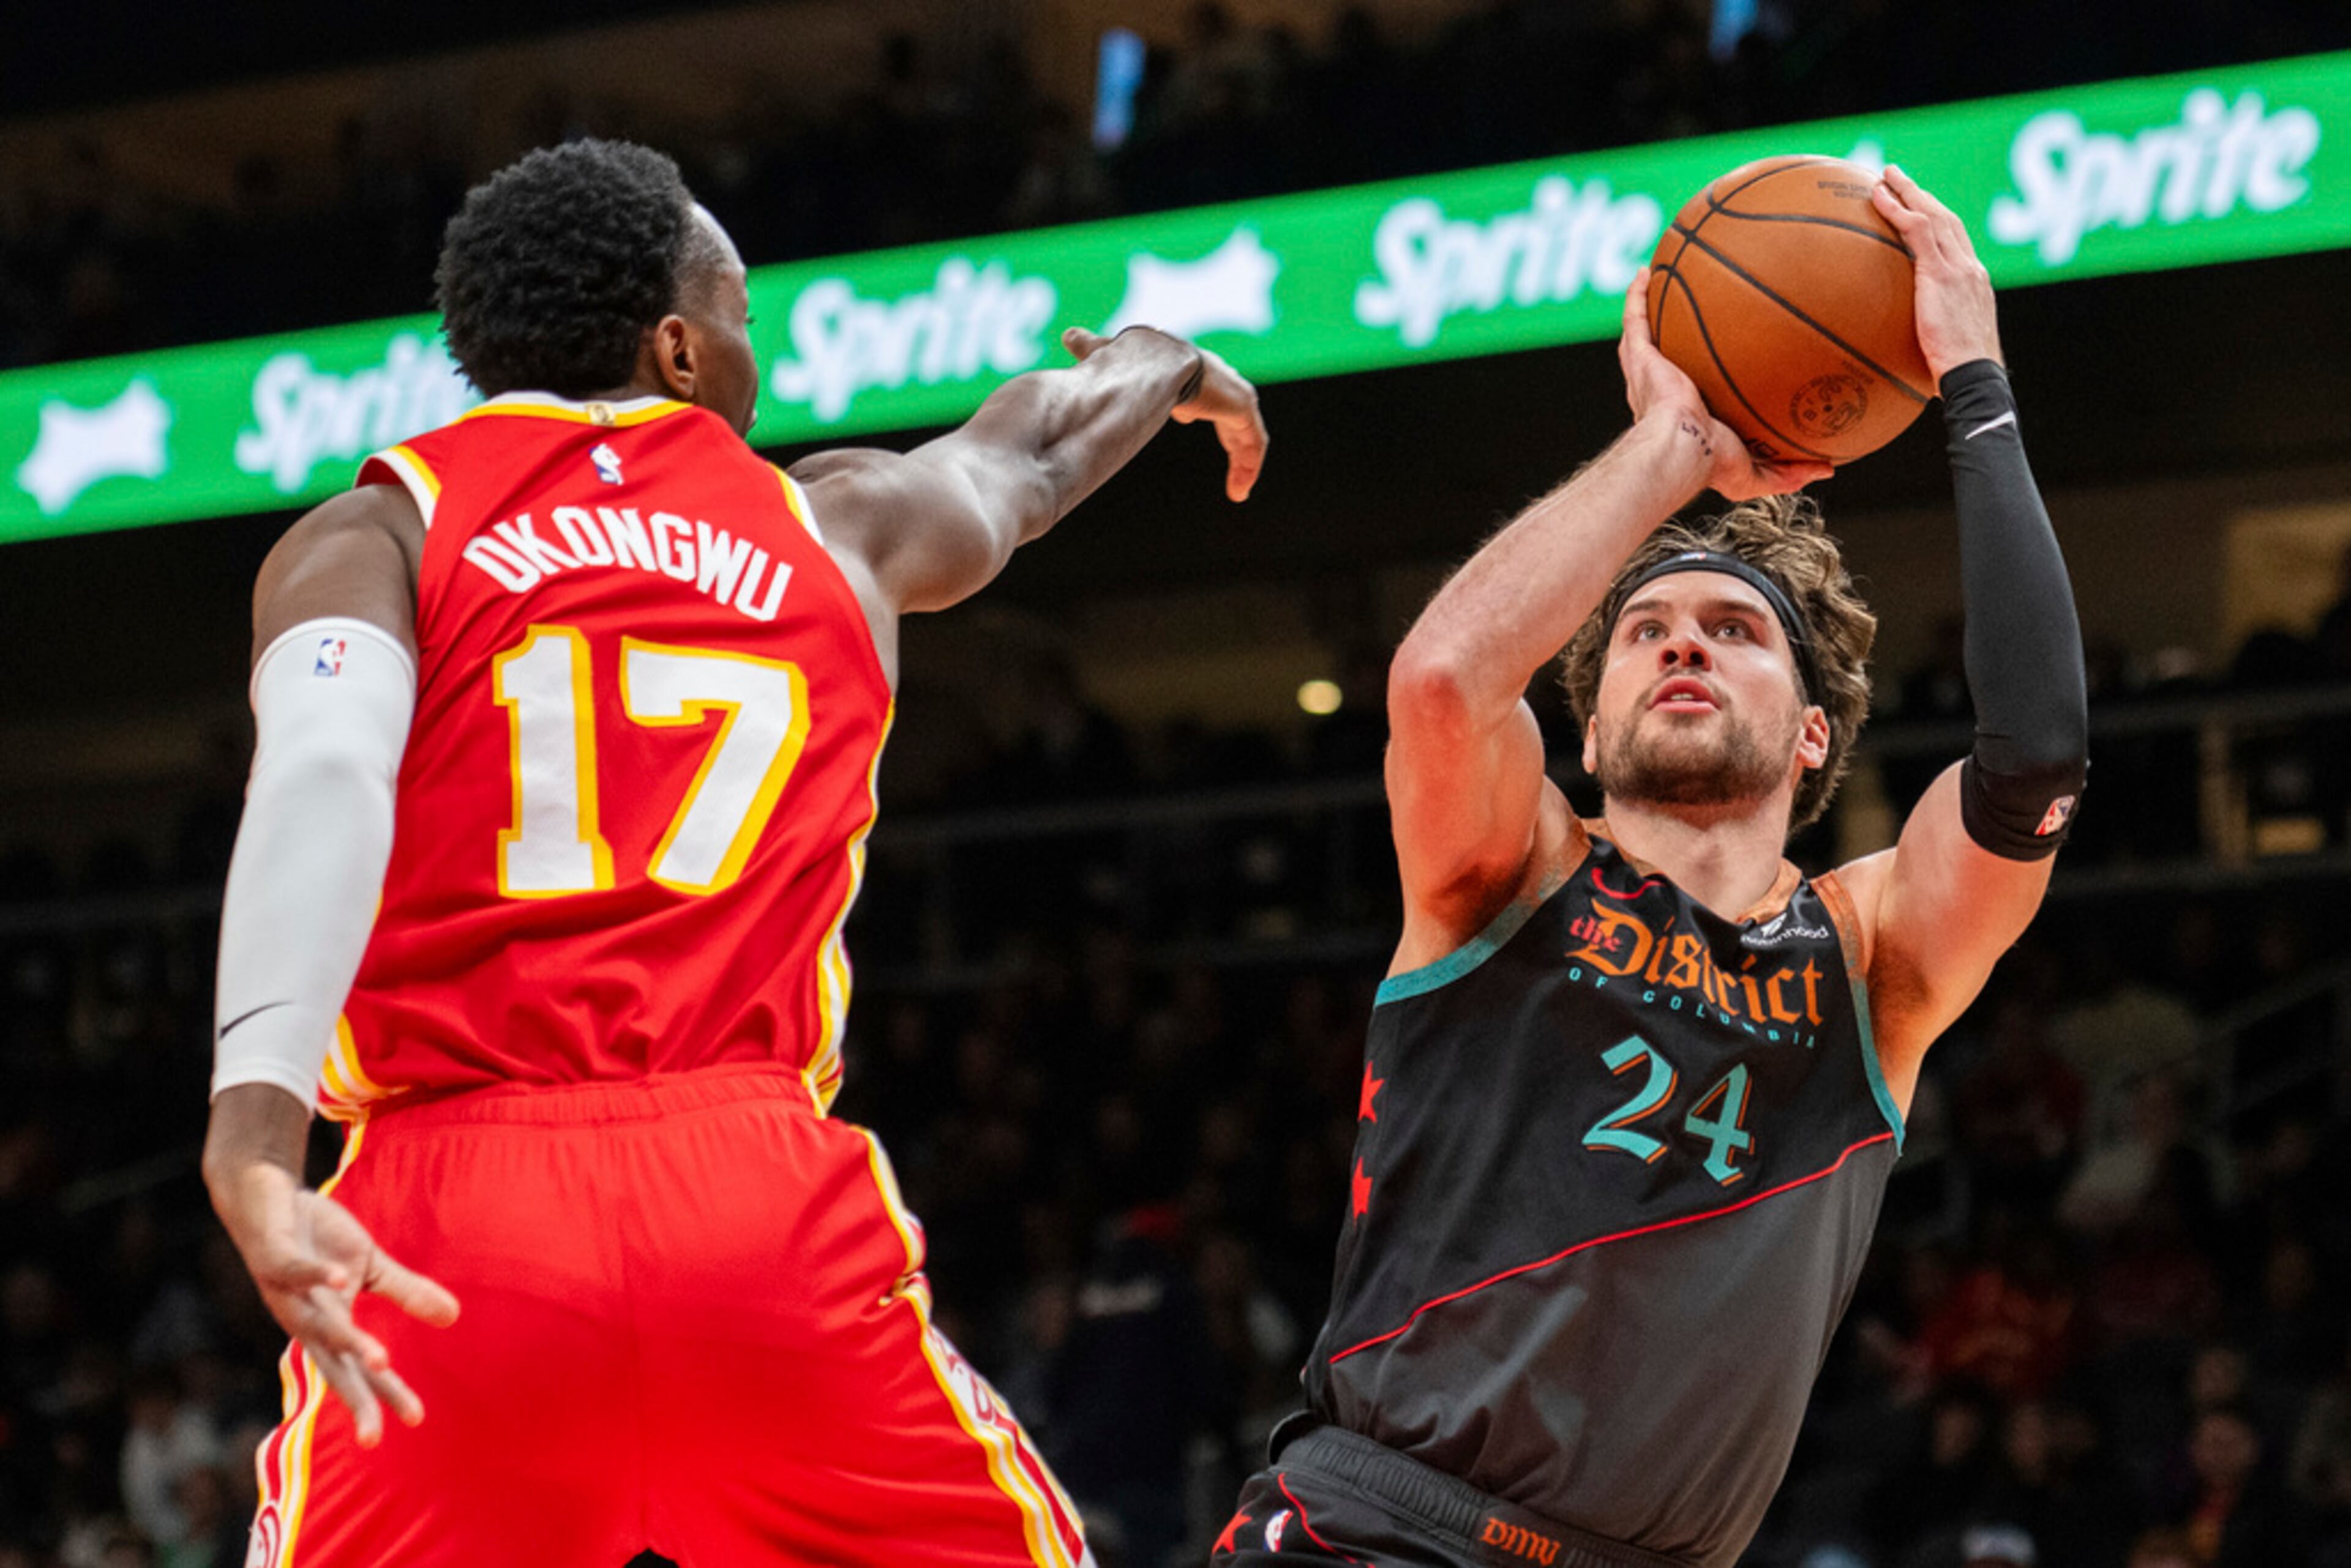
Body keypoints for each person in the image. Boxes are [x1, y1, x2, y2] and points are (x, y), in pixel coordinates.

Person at [200, 138, 1266, 1568]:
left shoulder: (371, 536)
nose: (756, 350)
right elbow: (1033, 454)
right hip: (754, 1205)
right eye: (745, 314)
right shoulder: (834, 524)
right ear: (680, 347)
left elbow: (324, 772)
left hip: (448, 1227)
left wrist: (253, 1147)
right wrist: (1160, 353)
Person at [1215, 167, 2086, 1567]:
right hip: (1387, 1529)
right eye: (1645, 630)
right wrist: (1674, 445)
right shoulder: (1513, 868)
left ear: (1813, 735)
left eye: (1733, 630)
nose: (1683, 642)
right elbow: (1442, 681)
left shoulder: (1873, 959)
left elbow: (2035, 756)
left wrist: (1974, 379)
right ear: (1590, 720)